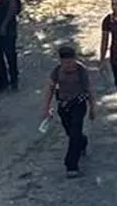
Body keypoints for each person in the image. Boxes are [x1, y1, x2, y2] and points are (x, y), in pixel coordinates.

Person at [42, 46, 94, 178]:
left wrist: (92, 108)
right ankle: (82, 142)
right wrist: (46, 107)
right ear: (60, 61)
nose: (68, 65)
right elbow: (50, 88)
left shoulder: (81, 70)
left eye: (71, 62)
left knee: (75, 130)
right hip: (64, 106)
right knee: (71, 133)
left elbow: (89, 90)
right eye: (65, 63)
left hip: (78, 104)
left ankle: (71, 165)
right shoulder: (57, 71)